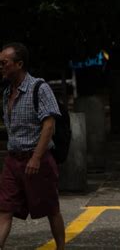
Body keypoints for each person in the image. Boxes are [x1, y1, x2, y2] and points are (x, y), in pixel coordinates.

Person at [0, 43, 65, 250]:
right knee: (4, 209)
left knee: (51, 209)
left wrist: (36, 157)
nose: (1, 67)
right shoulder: (6, 93)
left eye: (4, 63)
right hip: (13, 161)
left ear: (19, 64)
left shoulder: (39, 88)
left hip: (38, 159)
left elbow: (49, 125)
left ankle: (61, 248)